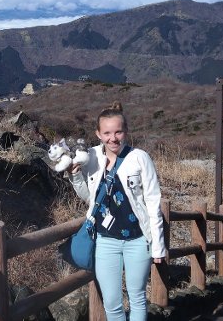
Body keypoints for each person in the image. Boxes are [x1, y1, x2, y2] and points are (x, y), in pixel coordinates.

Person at [67, 102, 165, 321]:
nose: (113, 138)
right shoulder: (91, 157)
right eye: (107, 133)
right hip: (105, 240)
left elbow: (152, 202)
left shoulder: (139, 157)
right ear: (98, 134)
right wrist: (74, 176)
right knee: (111, 302)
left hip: (138, 239)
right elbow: (91, 199)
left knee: (137, 297)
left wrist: (158, 246)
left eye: (118, 132)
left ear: (126, 131)